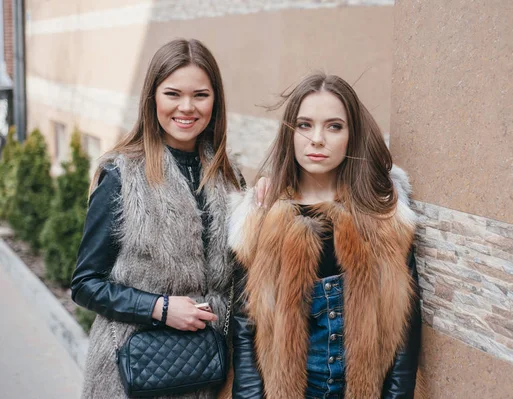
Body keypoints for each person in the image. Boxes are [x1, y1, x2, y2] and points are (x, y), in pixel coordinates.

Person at [228, 73, 422, 399]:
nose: (317, 139)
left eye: (334, 126)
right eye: (305, 125)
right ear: (290, 133)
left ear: (351, 135)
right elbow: (246, 323)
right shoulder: (262, 212)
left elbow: (405, 325)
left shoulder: (383, 214)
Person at [71, 38, 243, 398]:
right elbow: (86, 284)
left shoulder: (231, 180)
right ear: (153, 99)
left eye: (200, 95)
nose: (186, 107)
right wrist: (159, 308)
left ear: (216, 100)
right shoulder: (121, 176)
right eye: (172, 94)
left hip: (209, 373)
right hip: (131, 374)